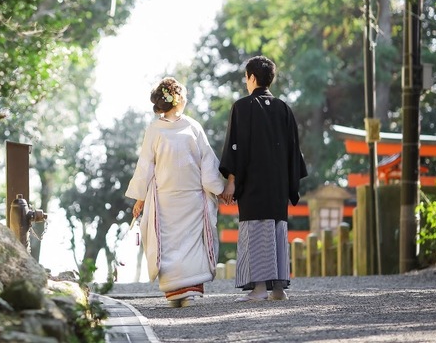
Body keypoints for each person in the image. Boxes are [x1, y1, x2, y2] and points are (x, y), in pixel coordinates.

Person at [125, 77, 225, 308]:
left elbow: (145, 166)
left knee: (171, 241)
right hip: (182, 197)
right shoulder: (192, 126)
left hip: (173, 196)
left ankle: (179, 292)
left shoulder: (157, 129)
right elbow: (207, 163)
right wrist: (218, 189)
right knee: (185, 241)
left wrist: (141, 197)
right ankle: (182, 291)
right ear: (178, 99)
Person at [219, 56, 308, 302]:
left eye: (246, 78)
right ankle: (278, 289)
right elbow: (294, 152)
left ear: (252, 78)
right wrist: (290, 185)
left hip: (254, 184)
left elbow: (237, 147)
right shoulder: (284, 109)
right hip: (278, 184)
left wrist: (231, 181)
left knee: (257, 230)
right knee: (277, 230)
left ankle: (259, 289)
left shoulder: (242, 107)